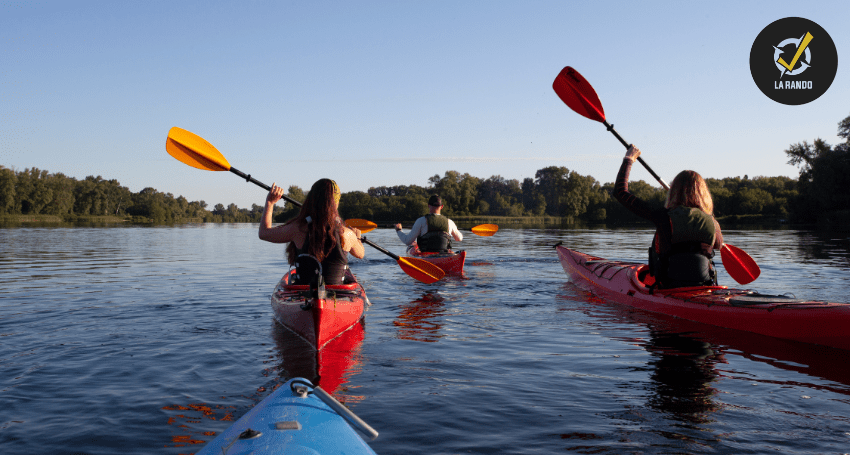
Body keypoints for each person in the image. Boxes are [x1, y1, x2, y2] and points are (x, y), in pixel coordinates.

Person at [613, 145, 723, 288]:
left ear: (674, 192)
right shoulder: (713, 223)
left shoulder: (662, 216)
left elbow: (620, 192)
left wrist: (629, 159)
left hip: (669, 287)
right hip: (705, 286)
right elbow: (719, 245)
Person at [259, 178, 364, 285]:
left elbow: (264, 233)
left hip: (304, 295)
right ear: (336, 203)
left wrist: (270, 202)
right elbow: (361, 254)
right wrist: (357, 237)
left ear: (311, 200)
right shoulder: (347, 234)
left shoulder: (297, 229)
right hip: (338, 295)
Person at [394, 195, 463, 253]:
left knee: (413, 245)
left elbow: (407, 241)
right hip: (444, 255)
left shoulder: (421, 221)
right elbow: (459, 239)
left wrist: (398, 230)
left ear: (428, 206)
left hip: (426, 257)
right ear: (441, 207)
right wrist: (455, 229)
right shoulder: (449, 222)